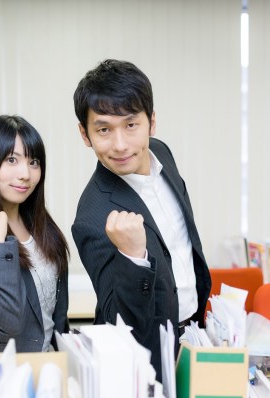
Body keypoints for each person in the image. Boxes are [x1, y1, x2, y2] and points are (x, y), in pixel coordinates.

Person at [71, 59, 211, 377]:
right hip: (145, 360)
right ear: (85, 134)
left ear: (152, 122)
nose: (120, 145)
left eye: (131, 125)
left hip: (194, 335)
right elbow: (120, 321)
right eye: (104, 130)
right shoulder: (92, 215)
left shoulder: (162, 154)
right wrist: (133, 257)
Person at [0, 115, 69, 353]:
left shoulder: (39, 223)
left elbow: (54, 310)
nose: (25, 173)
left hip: (44, 359)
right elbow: (8, 320)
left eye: (33, 162)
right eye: (12, 160)